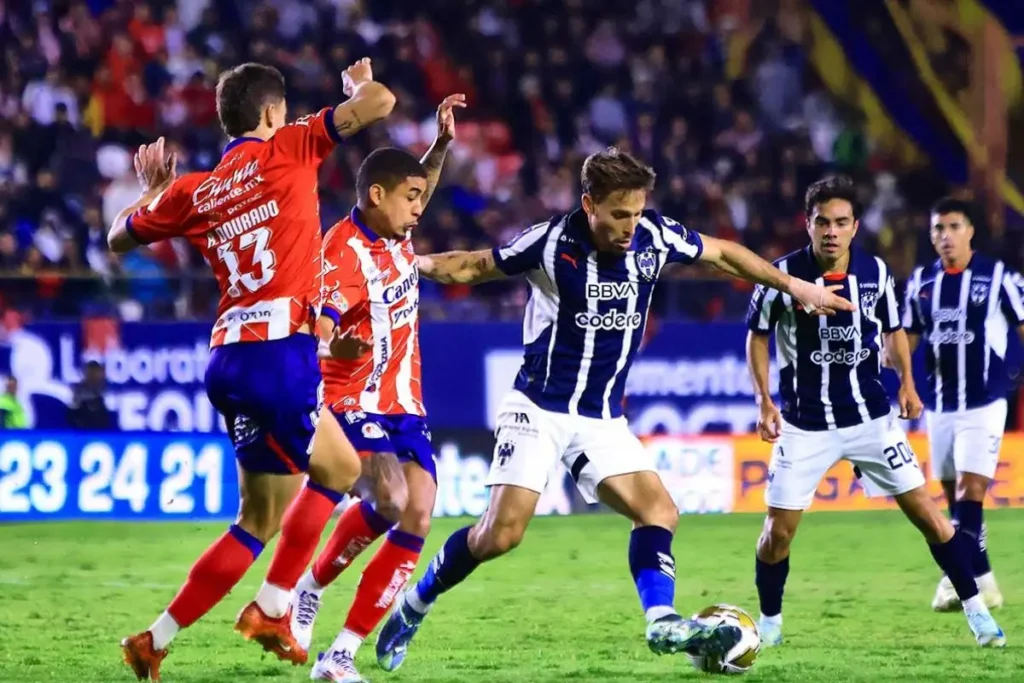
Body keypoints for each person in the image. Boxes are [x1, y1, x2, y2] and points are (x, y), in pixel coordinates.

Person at [372, 147, 856, 672]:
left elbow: (722, 253)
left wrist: (793, 284)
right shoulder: (553, 242)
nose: (630, 226)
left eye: (637, 212)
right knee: (500, 535)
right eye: (618, 214)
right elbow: (476, 264)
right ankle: (413, 603)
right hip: (539, 408)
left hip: (601, 418)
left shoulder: (656, 235)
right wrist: (412, 263)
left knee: (659, 511)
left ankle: (661, 620)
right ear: (589, 205)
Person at [109, 59, 397, 681]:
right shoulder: (292, 146)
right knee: (343, 472)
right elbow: (381, 103)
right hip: (279, 355)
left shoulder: (197, 190)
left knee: (262, 517)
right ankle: (272, 606)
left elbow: (116, 239)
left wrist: (153, 192)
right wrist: (353, 88)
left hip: (228, 360)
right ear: (272, 113)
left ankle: (153, 641)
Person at [745, 177, 1006, 648]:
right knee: (776, 534)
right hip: (804, 424)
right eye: (822, 221)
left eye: (841, 222)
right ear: (808, 223)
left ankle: (978, 612)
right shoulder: (780, 276)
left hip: (870, 419)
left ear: (855, 227)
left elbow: (894, 329)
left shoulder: (877, 273)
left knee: (931, 517)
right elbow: (757, 336)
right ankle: (770, 623)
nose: (831, 231)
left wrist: (907, 381)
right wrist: (764, 399)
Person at [288, 95, 465, 683]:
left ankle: (340, 656)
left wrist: (439, 145)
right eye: (411, 199)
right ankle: (309, 587)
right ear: (376, 196)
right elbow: (318, 331)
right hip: (351, 399)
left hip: (405, 404)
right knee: (388, 495)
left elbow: (420, 182)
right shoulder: (341, 253)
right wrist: (332, 346)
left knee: (418, 513)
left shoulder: (398, 233)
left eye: (421, 197)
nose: (421, 208)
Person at [901, 197, 1024, 612]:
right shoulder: (921, 283)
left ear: (970, 231)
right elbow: (909, 336)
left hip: (985, 402)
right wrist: (895, 365)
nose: (945, 236)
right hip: (939, 405)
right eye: (938, 229)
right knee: (955, 497)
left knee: (972, 492)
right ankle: (985, 581)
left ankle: (957, 579)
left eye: (953, 227)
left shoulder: (1000, 277)